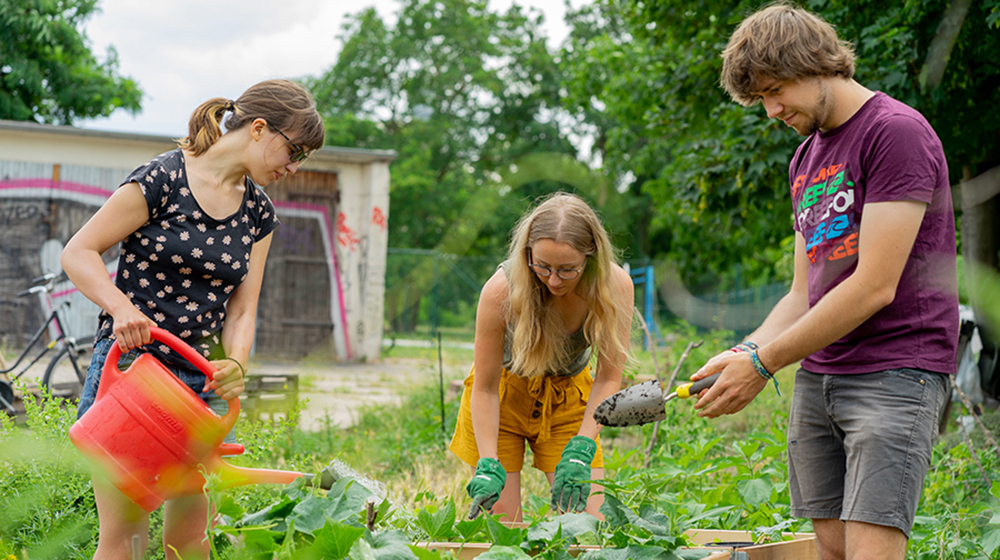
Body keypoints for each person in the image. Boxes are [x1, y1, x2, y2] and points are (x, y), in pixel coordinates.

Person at [690, 4, 958, 560]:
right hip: (822, 374)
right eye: (760, 99)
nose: (770, 110)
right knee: (831, 549)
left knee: (870, 552)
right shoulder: (806, 158)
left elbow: (874, 285)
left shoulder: (895, 134)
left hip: (895, 371)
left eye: (775, 90)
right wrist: (746, 349)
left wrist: (764, 364)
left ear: (815, 64)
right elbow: (801, 292)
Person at [62, 79, 324, 560]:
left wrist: (237, 365)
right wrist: (121, 308)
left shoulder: (258, 213)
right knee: (126, 541)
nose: (293, 166)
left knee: (191, 541)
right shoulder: (162, 179)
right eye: (293, 151)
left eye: (302, 158)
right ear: (259, 129)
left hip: (201, 387)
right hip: (132, 376)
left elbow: (244, 309)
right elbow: (78, 252)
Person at [450, 193, 634, 522]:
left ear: (590, 257)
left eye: (567, 270)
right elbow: (485, 387)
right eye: (542, 266)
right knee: (504, 532)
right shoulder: (501, 291)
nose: (552, 280)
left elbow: (608, 377)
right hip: (503, 400)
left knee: (589, 525)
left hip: (567, 400)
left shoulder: (614, 285)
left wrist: (583, 447)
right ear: (527, 254)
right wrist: (488, 462)